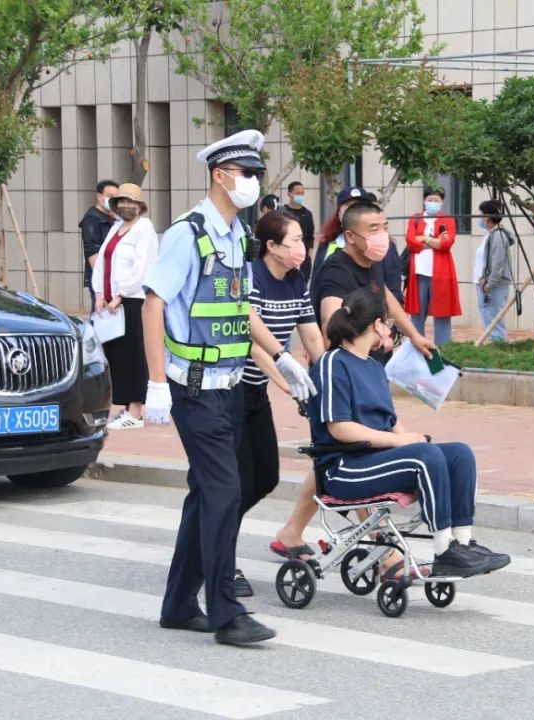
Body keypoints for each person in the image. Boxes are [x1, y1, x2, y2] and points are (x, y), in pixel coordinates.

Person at [141, 129, 314, 646]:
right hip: (192, 387)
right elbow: (153, 304)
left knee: (206, 495)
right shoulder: (186, 233)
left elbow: (240, 310)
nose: (255, 181)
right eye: (248, 173)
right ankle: (225, 611)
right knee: (223, 491)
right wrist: (154, 384)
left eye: (257, 173)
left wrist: (283, 358)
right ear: (220, 175)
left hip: (231, 384)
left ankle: (177, 605)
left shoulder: (237, 235)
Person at [270, 201, 436, 566]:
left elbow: (386, 300)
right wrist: (350, 360)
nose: (382, 235)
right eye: (373, 228)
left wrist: (413, 334)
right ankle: (385, 554)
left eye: (384, 225)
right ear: (351, 235)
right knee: (351, 453)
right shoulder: (335, 272)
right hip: (341, 378)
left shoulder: (371, 262)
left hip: (365, 369)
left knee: (328, 458)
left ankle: (291, 532)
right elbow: (331, 324)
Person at [308, 287, 509, 577]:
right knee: (424, 456)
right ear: (376, 325)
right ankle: (444, 549)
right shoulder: (332, 363)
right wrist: (401, 442)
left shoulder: (374, 367)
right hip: (343, 468)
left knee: (458, 454)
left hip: (376, 459)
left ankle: (462, 543)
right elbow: (340, 428)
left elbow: (390, 421)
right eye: (388, 324)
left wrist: (407, 438)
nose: (390, 330)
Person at [232, 210, 325, 597]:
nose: (301, 249)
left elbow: (312, 336)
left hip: (255, 396)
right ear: (270, 246)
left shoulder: (296, 280)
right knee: (230, 484)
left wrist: (330, 374)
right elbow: (251, 340)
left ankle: (213, 532)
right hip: (231, 390)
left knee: (265, 476)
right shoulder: (251, 277)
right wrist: (285, 377)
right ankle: (220, 558)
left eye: (304, 240)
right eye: (294, 242)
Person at [91, 183, 159, 430]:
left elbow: (141, 268)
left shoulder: (145, 229)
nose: (125, 206)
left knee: (134, 355)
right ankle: (124, 407)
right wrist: (99, 292)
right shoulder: (116, 228)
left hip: (132, 301)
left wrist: (120, 294)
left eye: (130, 202)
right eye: (121, 202)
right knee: (116, 355)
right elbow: (101, 263)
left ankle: (136, 411)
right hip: (109, 303)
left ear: (140, 206)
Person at [312, 186, 403, 305]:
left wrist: (388, 322)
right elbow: (315, 286)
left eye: (359, 207)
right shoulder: (327, 244)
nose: (354, 212)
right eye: (348, 208)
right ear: (339, 213)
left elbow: (393, 291)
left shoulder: (383, 245)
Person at [404, 186, 461, 346]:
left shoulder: (447, 219)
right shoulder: (415, 218)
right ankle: (417, 350)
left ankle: (443, 354)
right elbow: (410, 242)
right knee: (417, 315)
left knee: (442, 314)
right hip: (418, 273)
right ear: (424, 200)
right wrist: (434, 241)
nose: (432, 202)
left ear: (442, 201)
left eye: (436, 200)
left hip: (441, 274)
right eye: (430, 199)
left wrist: (424, 239)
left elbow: (446, 243)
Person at [474, 199, 514, 343]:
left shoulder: (498, 236)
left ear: (488, 217)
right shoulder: (490, 235)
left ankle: (498, 348)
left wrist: (489, 284)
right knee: (489, 321)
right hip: (486, 284)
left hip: (494, 286)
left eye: (482, 215)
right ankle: (495, 346)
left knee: (495, 323)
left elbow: (497, 264)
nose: (480, 218)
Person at [80, 180, 119, 313]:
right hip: (101, 282)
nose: (113, 200)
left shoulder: (114, 218)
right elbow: (93, 254)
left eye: (116, 196)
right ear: (99, 197)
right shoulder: (92, 219)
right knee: (100, 317)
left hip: (112, 279)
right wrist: (101, 287)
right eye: (110, 196)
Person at [282, 181, 315, 281]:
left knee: (303, 281)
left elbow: (310, 235)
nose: (300, 196)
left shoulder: (307, 214)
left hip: (303, 257)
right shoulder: (282, 212)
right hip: (286, 255)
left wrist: (309, 252)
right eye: (297, 193)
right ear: (289, 194)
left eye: (302, 193)